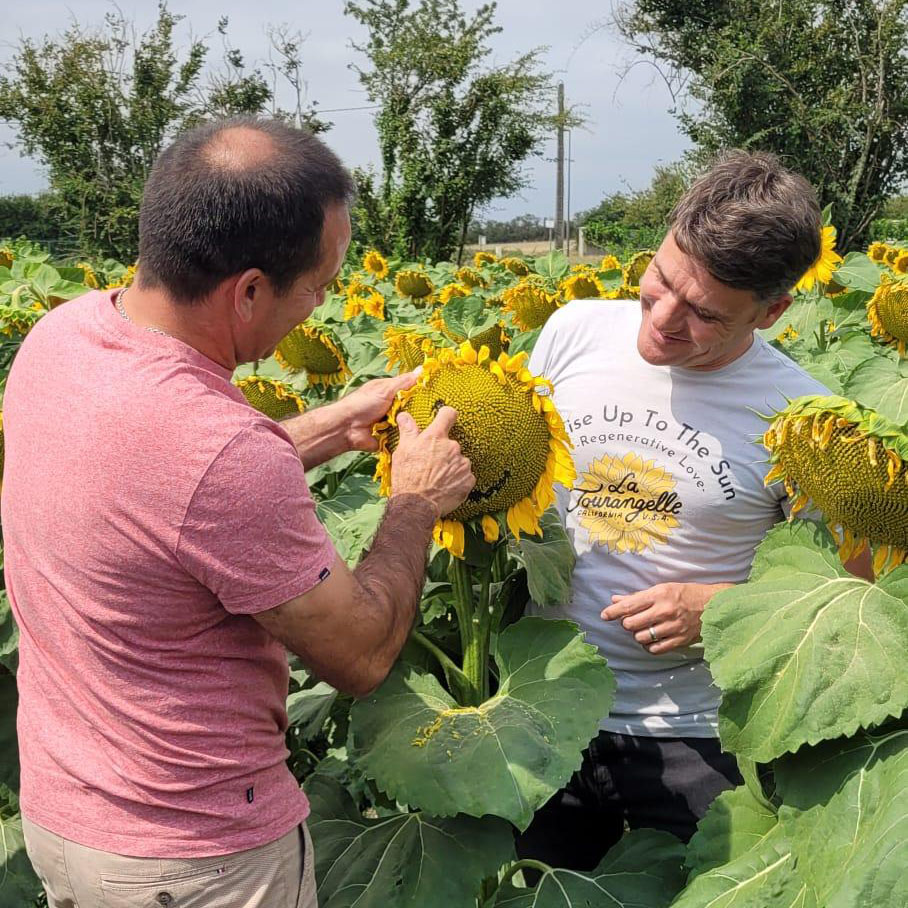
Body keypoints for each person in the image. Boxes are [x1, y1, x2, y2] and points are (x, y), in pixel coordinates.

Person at [2, 117, 475, 908]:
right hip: (194, 860)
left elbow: (162, 490)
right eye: (318, 285)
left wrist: (329, 426)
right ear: (249, 290)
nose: (319, 308)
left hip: (68, 821)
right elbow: (357, 657)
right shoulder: (223, 455)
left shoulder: (65, 337)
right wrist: (415, 501)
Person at [516, 150, 872, 871]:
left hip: (691, 732)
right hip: (542, 707)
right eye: (661, 283)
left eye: (704, 312)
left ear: (771, 311)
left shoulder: (803, 421)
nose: (664, 321)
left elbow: (846, 591)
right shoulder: (573, 330)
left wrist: (724, 608)